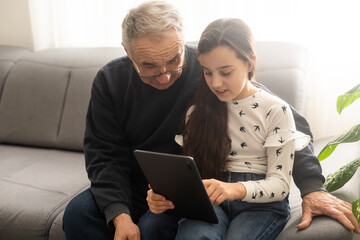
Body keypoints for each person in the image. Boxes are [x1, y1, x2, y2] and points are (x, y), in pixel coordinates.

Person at [62, 1, 360, 240]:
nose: (164, 75)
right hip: (137, 187)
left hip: (191, 189)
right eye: (149, 66)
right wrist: (120, 216)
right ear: (128, 53)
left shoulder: (208, 70)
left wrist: (312, 188)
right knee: (78, 214)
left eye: (173, 60)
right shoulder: (109, 81)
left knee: (159, 227)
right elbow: (104, 155)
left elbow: (288, 123)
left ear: (182, 43)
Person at [145, 17, 311, 240]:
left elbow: (280, 185)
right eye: (207, 72)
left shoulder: (276, 110)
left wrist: (234, 189)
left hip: (261, 206)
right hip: (213, 201)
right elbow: (192, 174)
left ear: (250, 62)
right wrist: (161, 197)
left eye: (225, 72)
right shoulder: (197, 111)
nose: (215, 83)